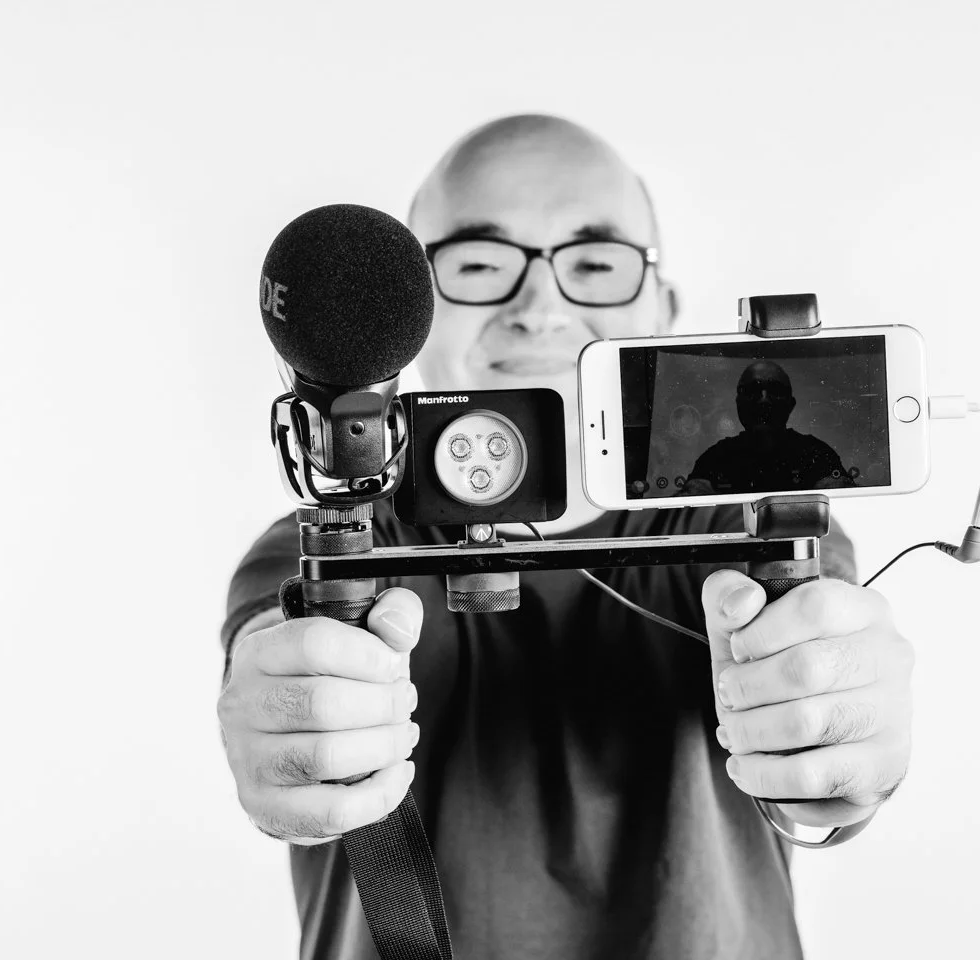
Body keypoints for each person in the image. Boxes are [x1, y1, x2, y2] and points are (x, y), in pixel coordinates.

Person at [217, 115, 914, 960]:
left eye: (593, 264)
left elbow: (824, 732)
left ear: (662, 306)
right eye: (478, 265)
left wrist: (836, 741)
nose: (540, 306)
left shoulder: (756, 527)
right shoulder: (329, 549)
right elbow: (273, 672)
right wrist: (285, 729)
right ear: (408, 322)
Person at [683, 360, 855, 496]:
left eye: (775, 390)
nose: (763, 400)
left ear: (791, 404)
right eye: (752, 390)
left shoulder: (816, 454)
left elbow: (844, 503)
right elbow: (689, 508)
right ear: (738, 404)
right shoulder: (714, 458)